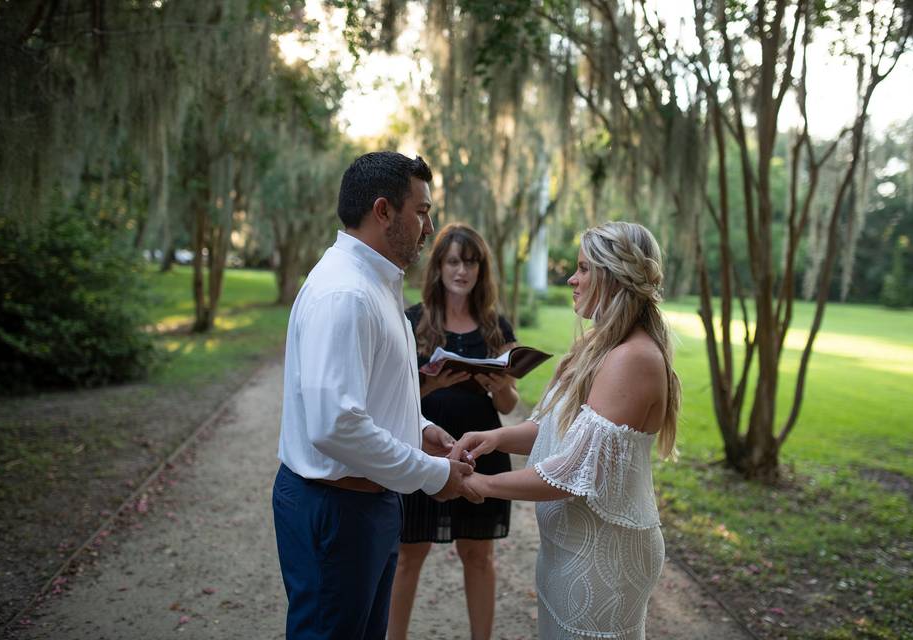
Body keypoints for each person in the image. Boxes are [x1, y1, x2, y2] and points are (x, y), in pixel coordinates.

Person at [272, 151, 480, 640]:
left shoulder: (375, 281)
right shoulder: (345, 293)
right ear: (384, 211)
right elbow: (336, 424)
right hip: (338, 509)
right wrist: (433, 475)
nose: (430, 226)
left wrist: (419, 431)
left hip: (369, 505)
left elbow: (369, 393)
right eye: (422, 211)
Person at [452, 221, 681, 639]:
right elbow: (552, 429)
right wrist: (497, 438)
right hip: (570, 550)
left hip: (603, 556)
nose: (572, 279)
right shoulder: (593, 348)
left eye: (583, 268)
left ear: (614, 276)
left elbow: (573, 471)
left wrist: (483, 485)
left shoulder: (633, 359)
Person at [387, 223, 519, 640]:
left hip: (482, 449)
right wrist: (431, 385)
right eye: (453, 261)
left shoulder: (495, 326)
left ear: (482, 269)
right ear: (439, 267)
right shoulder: (413, 321)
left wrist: (500, 387)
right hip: (426, 447)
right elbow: (394, 396)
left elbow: (509, 406)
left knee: (477, 554)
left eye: (471, 262)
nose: (463, 270)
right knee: (409, 554)